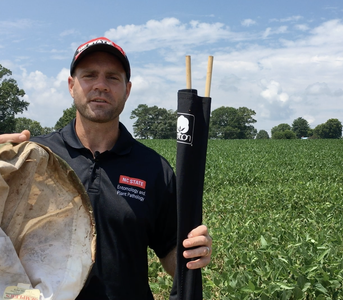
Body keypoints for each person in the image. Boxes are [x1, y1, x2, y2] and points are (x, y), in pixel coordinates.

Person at [0, 37, 212, 299]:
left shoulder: (154, 168)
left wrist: (193, 253)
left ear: (127, 89)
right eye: (89, 75)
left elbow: (170, 253)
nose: (101, 85)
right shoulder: (34, 159)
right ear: (71, 85)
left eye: (112, 78)